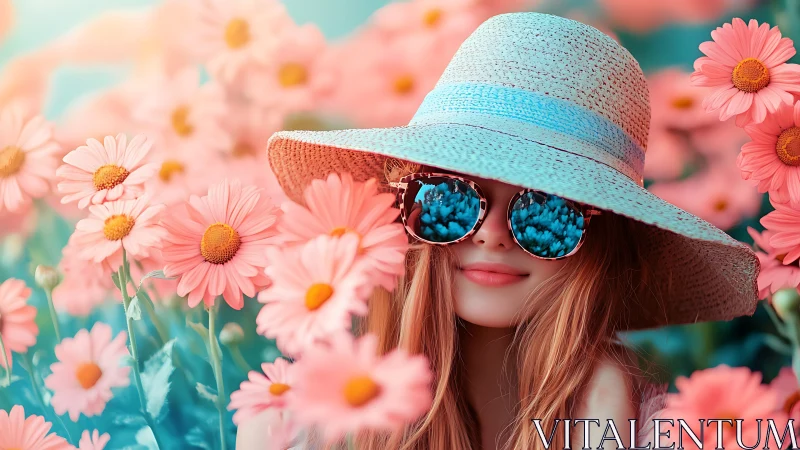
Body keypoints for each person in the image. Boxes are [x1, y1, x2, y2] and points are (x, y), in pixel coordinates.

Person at [238, 12, 759, 450]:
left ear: (602, 246)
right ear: (399, 214)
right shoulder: (292, 424)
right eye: (450, 199)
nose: (490, 235)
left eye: (546, 213)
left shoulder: (657, 433)